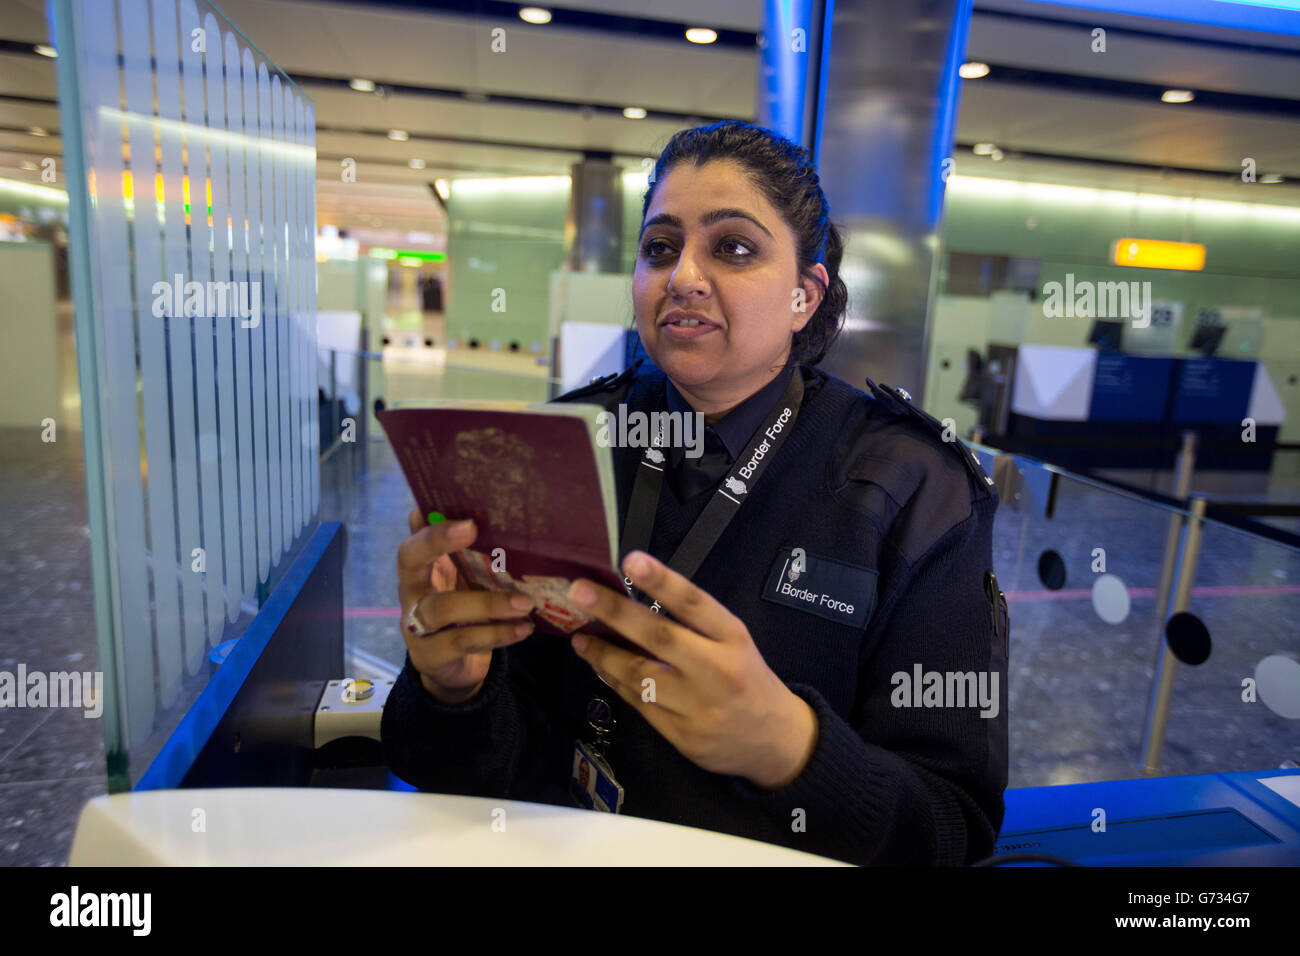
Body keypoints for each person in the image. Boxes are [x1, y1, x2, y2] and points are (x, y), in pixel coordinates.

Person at [383, 120, 1008, 866]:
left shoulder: (915, 488)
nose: (682, 276)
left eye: (733, 248)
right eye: (660, 248)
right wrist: (453, 687)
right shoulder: (569, 442)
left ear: (805, 294)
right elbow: (468, 773)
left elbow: (953, 828)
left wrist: (792, 751)